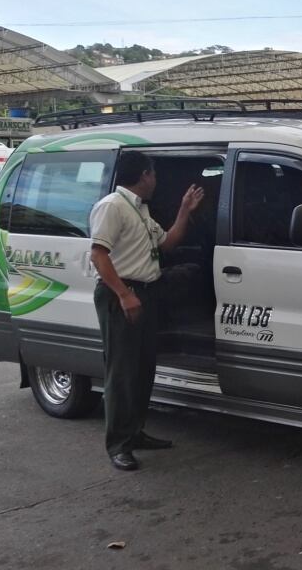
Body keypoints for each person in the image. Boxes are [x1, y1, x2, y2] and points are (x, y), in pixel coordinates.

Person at [89, 152, 204, 471]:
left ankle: (134, 432)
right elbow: (98, 255)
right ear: (143, 175)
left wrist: (184, 210)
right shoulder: (112, 206)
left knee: (142, 369)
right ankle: (118, 444)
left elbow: (167, 243)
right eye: (153, 173)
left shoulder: (139, 209)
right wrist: (124, 294)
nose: (156, 180)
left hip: (144, 293)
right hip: (122, 295)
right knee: (122, 372)